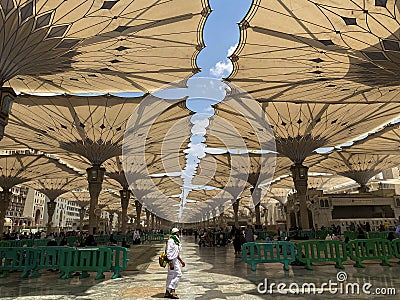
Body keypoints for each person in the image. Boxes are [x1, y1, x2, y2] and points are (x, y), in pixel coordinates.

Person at [165, 228, 185, 299]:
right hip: (172, 260)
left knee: (170, 275)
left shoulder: (176, 241)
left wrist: (181, 260)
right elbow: (168, 251)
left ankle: (167, 292)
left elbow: (176, 252)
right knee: (178, 274)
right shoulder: (171, 240)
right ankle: (172, 289)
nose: (179, 234)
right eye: (178, 232)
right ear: (176, 233)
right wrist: (170, 262)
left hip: (175, 259)